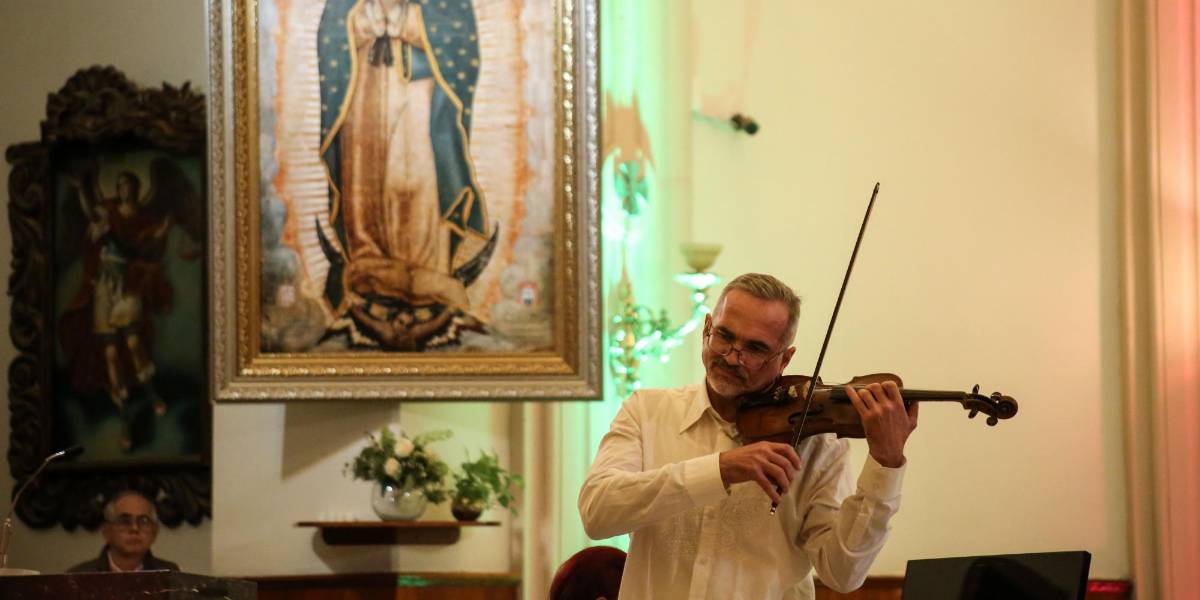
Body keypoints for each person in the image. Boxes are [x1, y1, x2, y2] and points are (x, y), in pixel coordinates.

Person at [579, 273, 919, 599]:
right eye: (724, 336)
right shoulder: (647, 411)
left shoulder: (818, 444)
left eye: (755, 348)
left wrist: (886, 464)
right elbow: (598, 512)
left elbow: (842, 573)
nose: (731, 357)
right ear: (707, 327)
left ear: (785, 359)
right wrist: (721, 469)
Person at [315, 0, 492, 347]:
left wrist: (406, 21)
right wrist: (363, 21)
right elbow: (333, 30)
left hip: (419, 94)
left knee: (414, 181)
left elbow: (459, 36)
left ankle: (426, 271)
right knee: (363, 183)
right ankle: (368, 262)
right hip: (363, 90)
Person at [67, 490, 180, 573]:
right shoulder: (78, 576)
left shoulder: (169, 574)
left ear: (155, 532)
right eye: (124, 521)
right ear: (106, 531)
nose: (135, 528)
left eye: (143, 521)